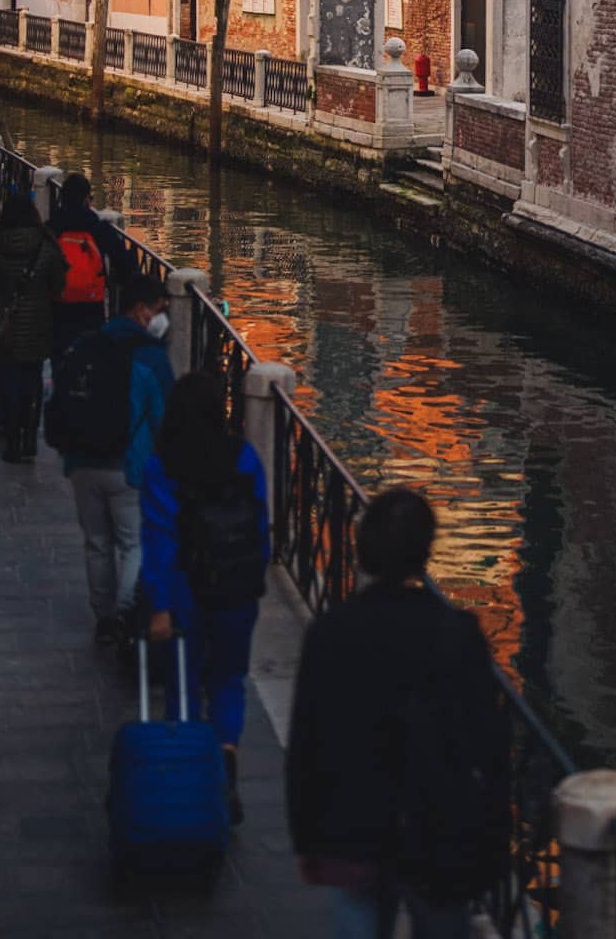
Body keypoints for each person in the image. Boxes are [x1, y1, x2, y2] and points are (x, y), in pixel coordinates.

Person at [286, 487, 510, 939]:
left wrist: (306, 839)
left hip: (353, 826)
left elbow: (306, 742)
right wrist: (491, 832)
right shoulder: (459, 634)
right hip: (438, 828)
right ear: (424, 552)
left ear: (363, 549)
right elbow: (489, 743)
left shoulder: (331, 633)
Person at [139, 371, 270, 826]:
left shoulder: (163, 465)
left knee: (183, 687)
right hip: (237, 590)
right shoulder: (244, 457)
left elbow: (159, 540)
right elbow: (259, 529)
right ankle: (226, 769)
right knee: (228, 681)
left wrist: (158, 605)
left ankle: (191, 785)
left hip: (184, 593)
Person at [49, 272, 174, 648]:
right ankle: (124, 613)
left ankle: (103, 617)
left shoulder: (86, 345)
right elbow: (164, 418)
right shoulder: (151, 358)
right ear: (140, 311)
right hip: (127, 467)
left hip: (81, 462)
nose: (162, 318)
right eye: (159, 310)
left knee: (97, 542)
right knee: (133, 543)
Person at [0, 191, 67, 464]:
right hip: (38, 323)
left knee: (11, 379)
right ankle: (29, 439)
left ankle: (12, 442)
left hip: (5, 324)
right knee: (33, 379)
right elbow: (59, 285)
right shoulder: (46, 244)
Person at [49, 170, 138, 382]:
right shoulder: (99, 228)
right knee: (90, 358)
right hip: (91, 308)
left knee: (60, 357)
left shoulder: (52, 227)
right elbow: (125, 266)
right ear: (87, 199)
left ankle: (61, 396)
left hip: (57, 307)